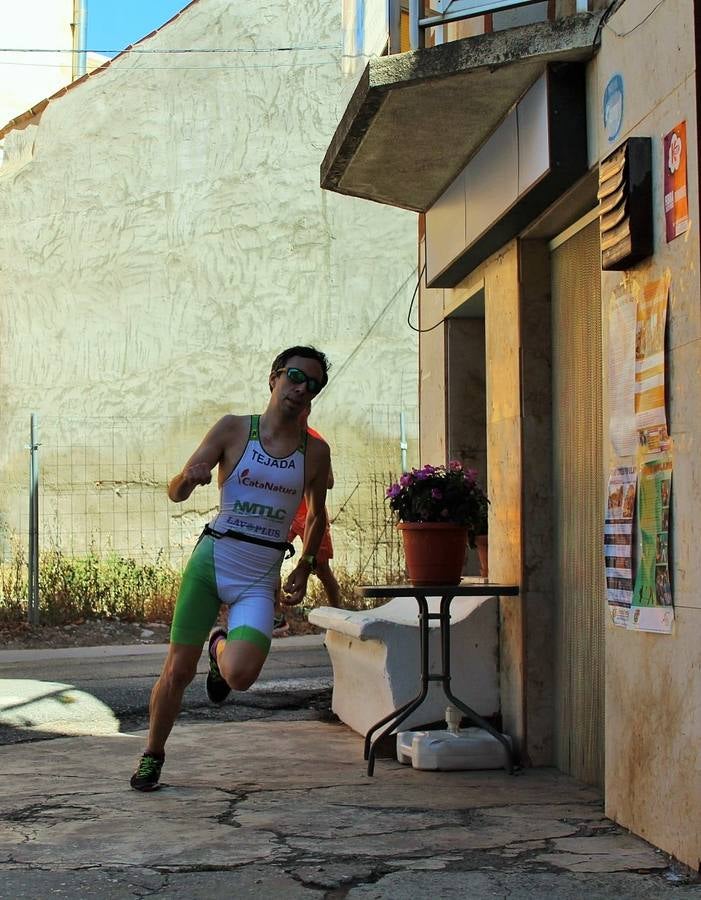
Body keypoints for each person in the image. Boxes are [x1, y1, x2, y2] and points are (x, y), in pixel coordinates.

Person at [130, 346, 332, 792]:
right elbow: (176, 492)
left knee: (240, 676)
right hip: (214, 560)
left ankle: (219, 647)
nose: (301, 388)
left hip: (261, 575)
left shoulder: (315, 452)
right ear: (274, 377)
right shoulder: (234, 429)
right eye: (295, 377)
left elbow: (317, 515)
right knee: (177, 673)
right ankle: (152, 754)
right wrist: (190, 478)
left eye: (312, 384)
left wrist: (305, 564)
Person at [273, 410, 340, 637]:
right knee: (270, 559)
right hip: (283, 512)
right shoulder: (276, 440)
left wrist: (306, 475)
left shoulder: (316, 443)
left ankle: (340, 620)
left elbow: (329, 482)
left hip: (310, 512)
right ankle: (276, 617)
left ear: (308, 412)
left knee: (322, 569)